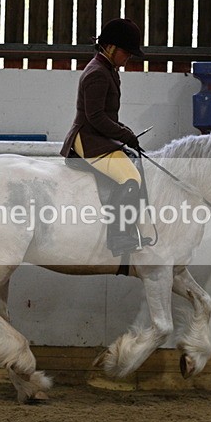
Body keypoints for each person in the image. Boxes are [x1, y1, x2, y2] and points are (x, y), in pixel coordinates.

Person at [60, 18, 152, 257]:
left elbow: (107, 115)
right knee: (130, 178)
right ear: (111, 47)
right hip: (88, 138)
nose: (128, 58)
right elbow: (96, 117)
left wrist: (125, 132)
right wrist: (125, 134)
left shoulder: (108, 70)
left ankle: (135, 227)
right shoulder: (97, 74)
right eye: (126, 53)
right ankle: (119, 236)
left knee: (134, 162)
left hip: (98, 135)